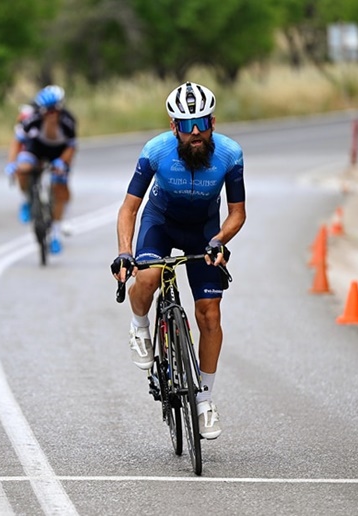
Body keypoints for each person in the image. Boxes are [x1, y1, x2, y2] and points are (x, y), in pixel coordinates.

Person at [110, 81, 246, 440]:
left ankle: (204, 400)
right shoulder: (156, 151)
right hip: (161, 225)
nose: (196, 132)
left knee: (210, 314)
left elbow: (237, 213)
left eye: (202, 122)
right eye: (187, 126)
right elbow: (129, 208)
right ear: (174, 128)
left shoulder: (230, 155)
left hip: (204, 233)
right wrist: (126, 251)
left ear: (213, 121)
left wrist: (219, 240)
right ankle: (140, 326)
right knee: (149, 277)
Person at [5, 85, 77, 254]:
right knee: (23, 169)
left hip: (59, 152)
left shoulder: (68, 122)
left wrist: (62, 162)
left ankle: (56, 234)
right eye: (47, 111)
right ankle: (27, 200)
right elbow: (17, 142)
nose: (51, 115)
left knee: (60, 186)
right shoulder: (32, 120)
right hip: (36, 149)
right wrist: (11, 163)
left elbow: (71, 147)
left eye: (54, 111)